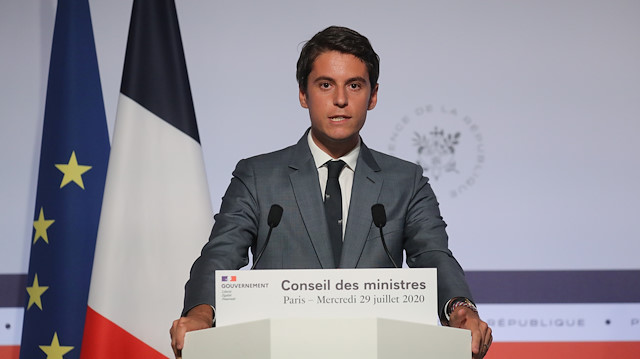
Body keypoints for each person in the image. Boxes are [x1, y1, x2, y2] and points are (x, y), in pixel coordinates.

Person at [170, 26, 492, 358]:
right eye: (326, 85)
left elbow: (434, 257)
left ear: (374, 95)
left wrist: (460, 308)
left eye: (354, 85)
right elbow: (220, 256)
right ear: (303, 95)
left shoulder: (406, 181)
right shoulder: (257, 176)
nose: (340, 99)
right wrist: (200, 313)